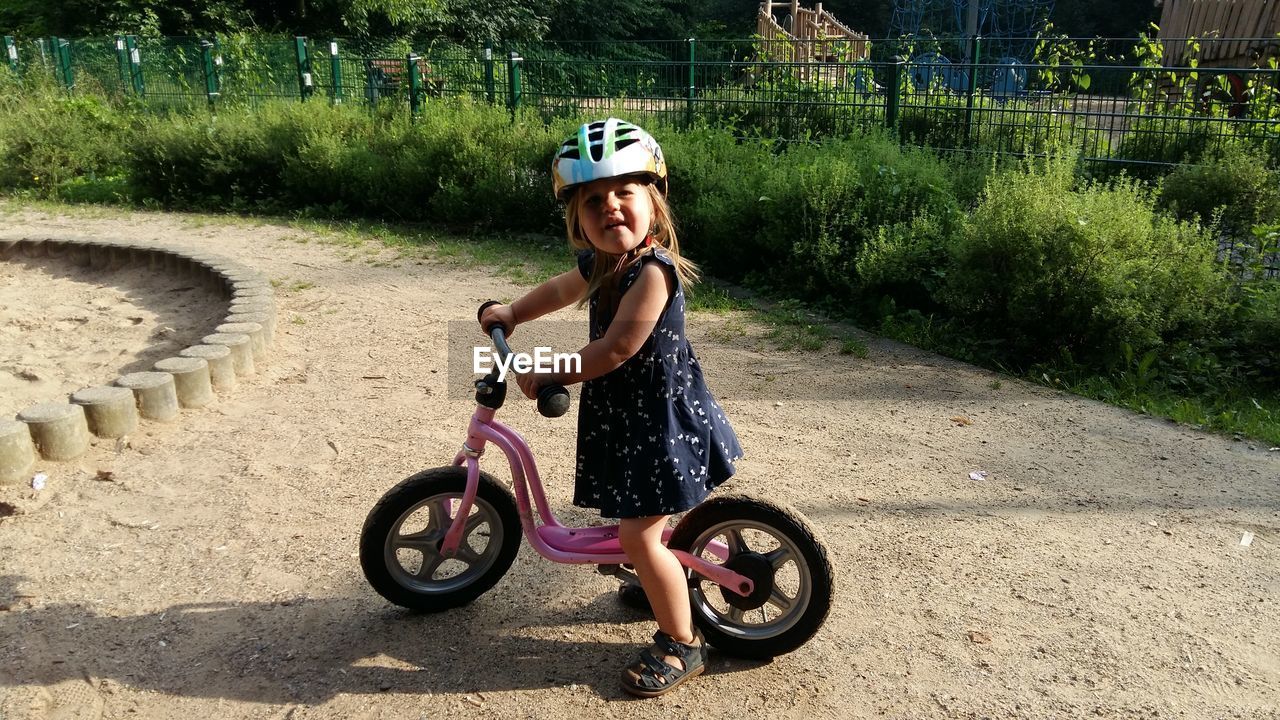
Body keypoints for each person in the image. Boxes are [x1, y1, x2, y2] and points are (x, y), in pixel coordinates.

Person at [479, 118, 742, 697]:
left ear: (653, 204)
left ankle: (682, 642)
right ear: (578, 220)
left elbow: (617, 348)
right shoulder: (602, 263)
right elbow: (558, 290)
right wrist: (513, 315)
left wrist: (551, 369)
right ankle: (651, 576)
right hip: (630, 416)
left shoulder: (652, 274)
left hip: (656, 423)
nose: (610, 207)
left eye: (625, 193)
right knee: (635, 523)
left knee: (641, 536)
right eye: (593, 200)